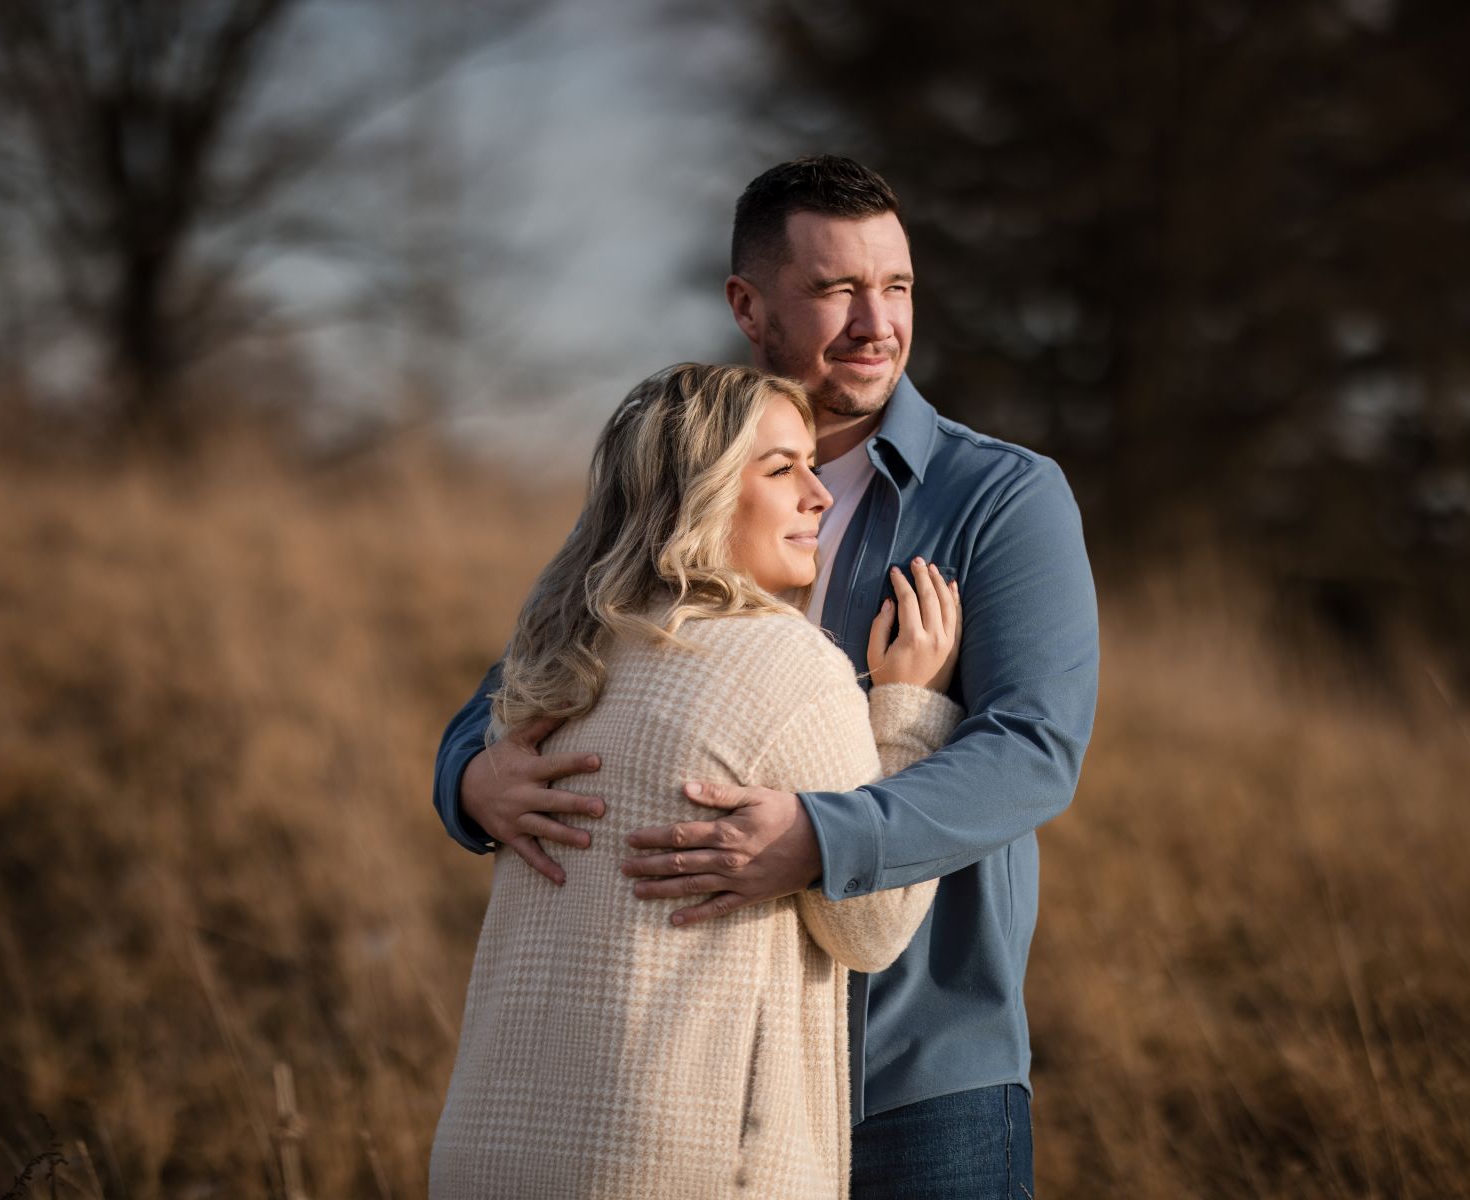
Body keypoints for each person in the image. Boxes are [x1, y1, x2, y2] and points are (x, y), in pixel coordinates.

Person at [434, 157, 1100, 1198]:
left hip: (914, 1071)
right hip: (688, 1069)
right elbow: (554, 648)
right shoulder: (686, 465)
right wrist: (468, 777)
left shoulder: (1000, 498)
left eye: (898, 286)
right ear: (747, 304)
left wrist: (820, 841)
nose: (876, 321)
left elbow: (1033, 751)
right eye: (835, 288)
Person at [428, 363, 966, 1197]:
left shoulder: (554, 663)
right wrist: (906, 712)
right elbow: (873, 930)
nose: (818, 498)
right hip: (680, 1158)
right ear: (699, 493)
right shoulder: (783, 664)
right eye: (781, 469)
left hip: (487, 1148)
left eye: (813, 470)